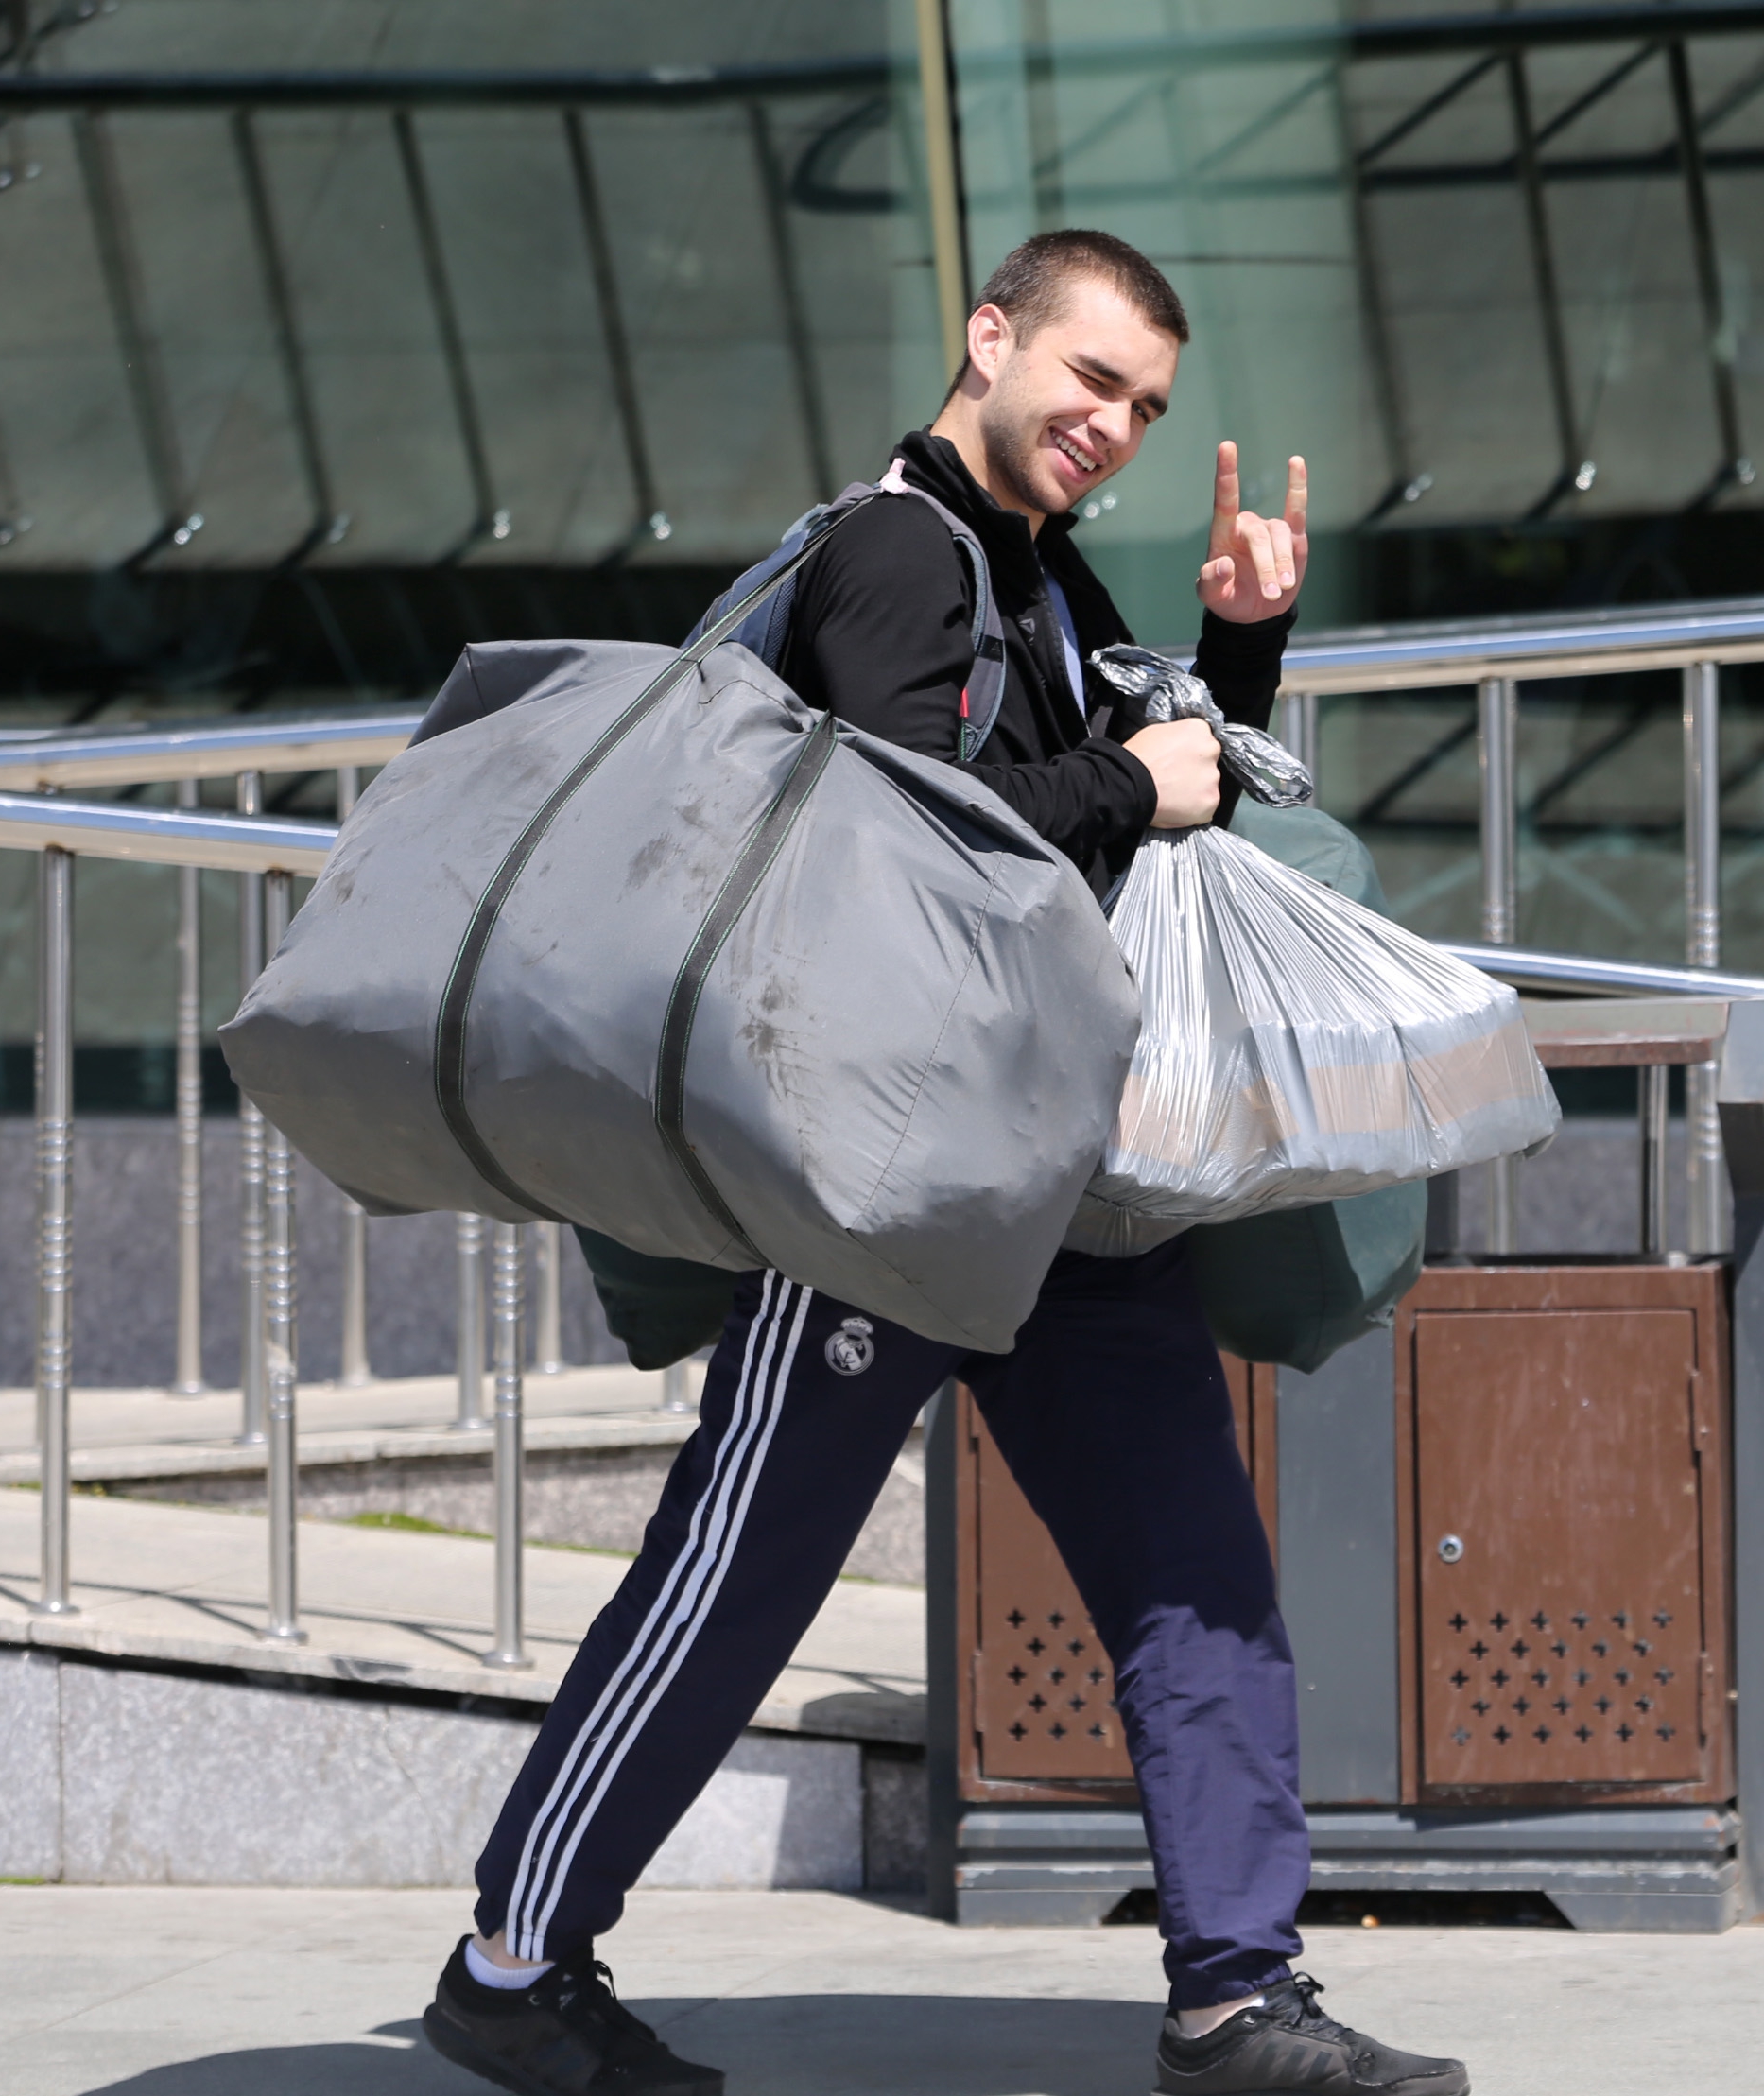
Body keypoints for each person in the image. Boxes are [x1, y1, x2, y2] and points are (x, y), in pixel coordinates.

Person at [419, 231, 1469, 2096]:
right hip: (875, 1183)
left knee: (1195, 1572)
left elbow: (1115, 833)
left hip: (1050, 1183)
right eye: (1088, 380)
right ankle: (513, 1956)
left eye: (1143, 404)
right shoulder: (897, 547)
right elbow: (917, 837)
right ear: (989, 338)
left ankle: (1238, 1996)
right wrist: (1137, 784)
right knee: (731, 1573)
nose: (1113, 426)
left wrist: (1235, 652)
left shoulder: (1040, 577)